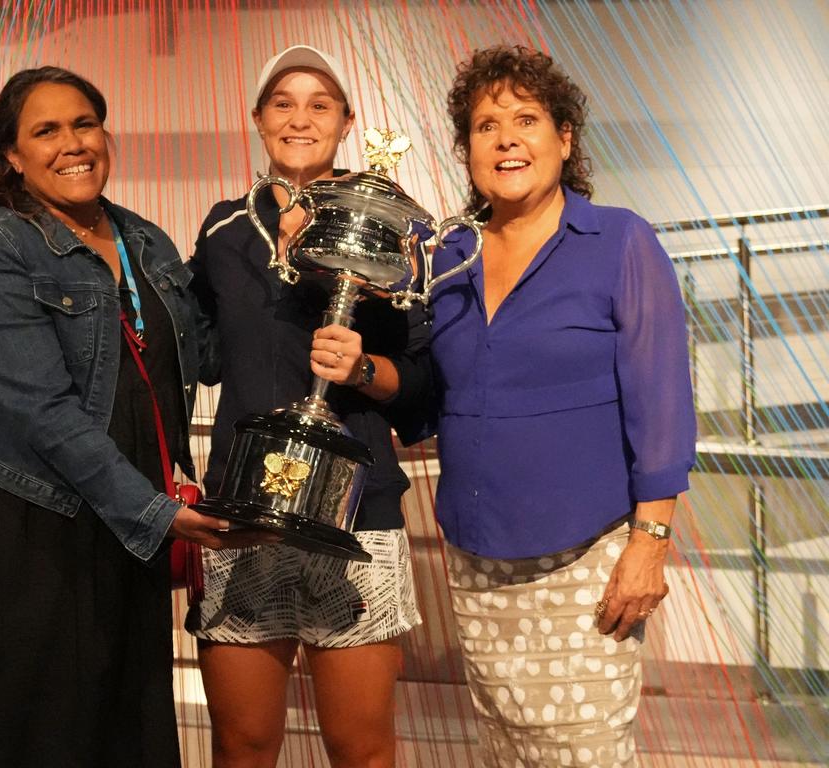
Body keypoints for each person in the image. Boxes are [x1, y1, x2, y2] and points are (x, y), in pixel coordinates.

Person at [0, 66, 258, 767]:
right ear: (12, 155)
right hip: (30, 527)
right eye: (45, 131)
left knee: (121, 722)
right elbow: (45, 414)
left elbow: (208, 356)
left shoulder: (146, 241)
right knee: (38, 731)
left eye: (84, 124)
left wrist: (271, 257)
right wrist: (155, 512)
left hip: (124, 523)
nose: (72, 143)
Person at [423, 46, 697, 767]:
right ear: (468, 149)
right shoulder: (447, 256)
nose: (506, 137)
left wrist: (649, 545)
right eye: (486, 125)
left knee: (585, 754)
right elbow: (428, 395)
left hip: (590, 558)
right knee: (507, 750)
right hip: (478, 558)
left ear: (564, 138)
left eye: (526, 118)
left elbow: (661, 403)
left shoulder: (619, 241)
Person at [185, 45, 431, 768]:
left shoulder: (388, 229)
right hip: (243, 512)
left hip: (358, 511)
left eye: (320, 103)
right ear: (257, 119)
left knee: (361, 750)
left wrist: (364, 369)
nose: (300, 118)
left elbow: (420, 382)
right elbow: (198, 353)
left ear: (347, 122)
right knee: (243, 745)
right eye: (283, 103)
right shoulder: (225, 230)